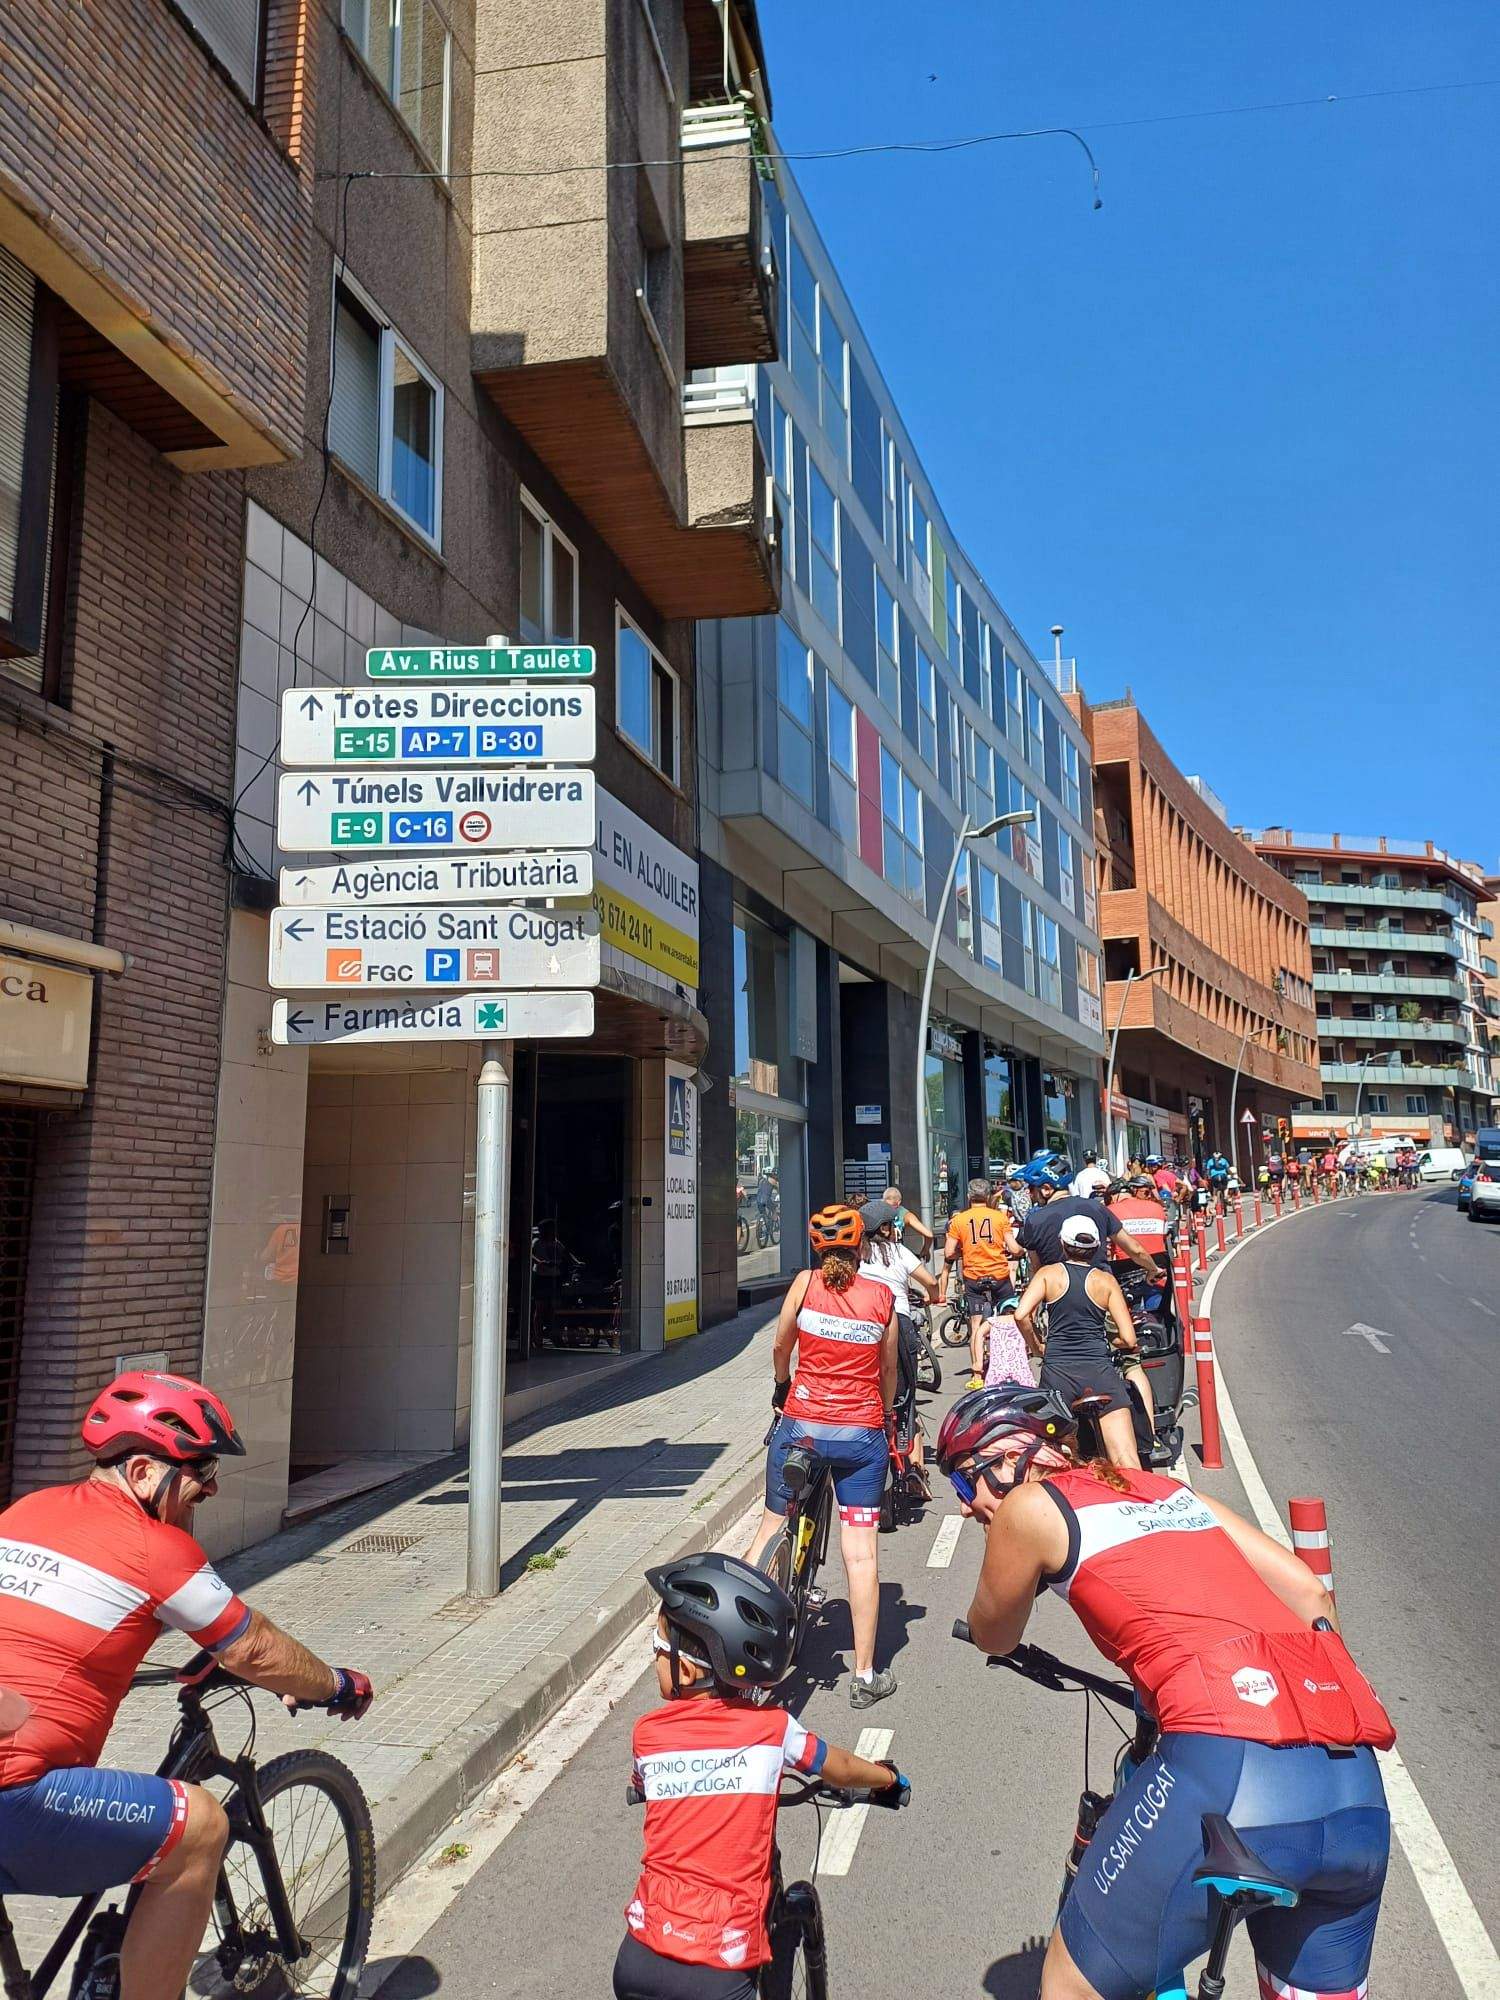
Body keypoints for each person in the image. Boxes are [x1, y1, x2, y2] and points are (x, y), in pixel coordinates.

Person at [940, 1384, 1393, 2000]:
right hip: (1354, 1783)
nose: (966, 1508)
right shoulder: (1171, 1491)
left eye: (966, 1486)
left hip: (1229, 1771)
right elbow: (1310, 1595)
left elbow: (994, 1633)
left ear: (1010, 1459)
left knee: (1069, 1985)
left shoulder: (1029, 1507)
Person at [0, 1373, 372, 2000]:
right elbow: (253, 1646)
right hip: (14, 1795)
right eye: (200, 1471)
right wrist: (333, 1684)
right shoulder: (155, 1548)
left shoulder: (25, 1511)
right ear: (144, 1472)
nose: (211, 1485)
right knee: (198, 1825)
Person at [616, 1553, 908, 1999]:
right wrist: (886, 1780)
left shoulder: (648, 1734)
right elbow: (840, 1767)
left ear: (690, 1668)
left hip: (639, 1957)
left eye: (658, 1650)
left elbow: (643, 1786)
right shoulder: (772, 1730)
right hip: (719, 1972)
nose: (654, 1659)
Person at [747, 1205, 900, 1708]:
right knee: (861, 1555)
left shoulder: (805, 1284)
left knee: (770, 1531)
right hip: (859, 1437)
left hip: (802, 1430)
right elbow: (889, 1373)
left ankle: (740, 1654)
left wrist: (783, 1384)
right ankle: (864, 1674)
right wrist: (880, 1411)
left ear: (818, 1249)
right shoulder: (881, 1297)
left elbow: (778, 1346)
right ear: (860, 1249)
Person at [1013, 1214, 1143, 1469]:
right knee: (1126, 1458)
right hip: (1099, 1370)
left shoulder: (1049, 1274)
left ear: (1062, 1243)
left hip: (1058, 1372)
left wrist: (1038, 1346)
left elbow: (1020, 1315)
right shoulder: (1106, 1281)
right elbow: (1129, 1338)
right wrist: (1112, 1341)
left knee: (1056, 1456)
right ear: (1095, 1248)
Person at [859, 1199, 940, 1490]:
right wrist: (934, 1295)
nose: (895, 1229)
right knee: (906, 1399)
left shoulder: (857, 1254)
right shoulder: (896, 1251)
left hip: (865, 1325)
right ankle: (916, 1467)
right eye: (892, 1225)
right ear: (883, 1228)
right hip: (899, 1323)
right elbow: (929, 1281)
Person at [1016, 1164, 1165, 1286]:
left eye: (1031, 1188)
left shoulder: (1033, 1220)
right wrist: (1153, 1269)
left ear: (1046, 1189)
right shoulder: (1096, 1207)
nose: (1029, 1193)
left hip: (1058, 1297)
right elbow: (1135, 1249)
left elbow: (1035, 1268)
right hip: (1100, 1289)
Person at [944, 1177, 1022, 1392]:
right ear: (988, 1196)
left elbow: (950, 1252)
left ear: (969, 1196)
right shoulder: (999, 1217)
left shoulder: (959, 1220)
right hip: (998, 1275)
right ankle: (1006, 1367)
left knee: (976, 1325)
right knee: (1006, 1319)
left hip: (974, 1277)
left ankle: (977, 1373)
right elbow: (1014, 1248)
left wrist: (965, 1251)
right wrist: (1020, 1252)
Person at [881, 1183, 934, 1254]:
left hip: (879, 1254)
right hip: (897, 1254)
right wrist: (925, 1250)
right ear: (899, 1202)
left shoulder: (877, 1211)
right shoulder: (906, 1215)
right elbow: (929, 1234)